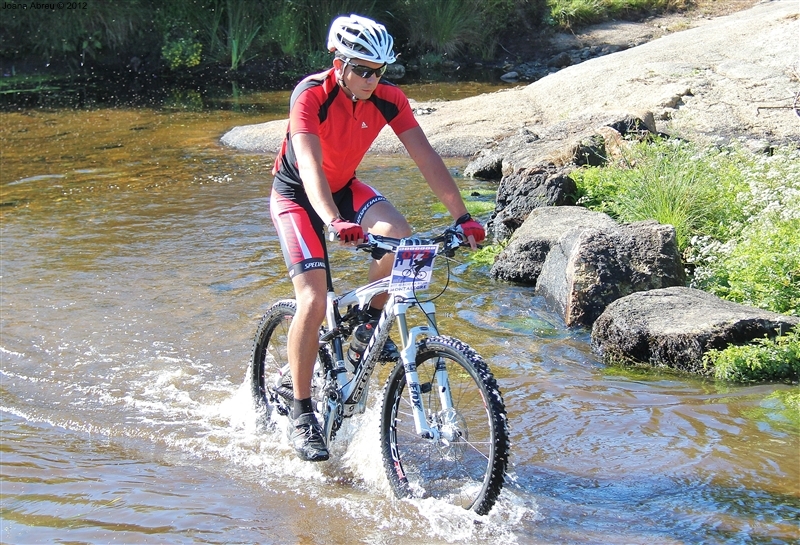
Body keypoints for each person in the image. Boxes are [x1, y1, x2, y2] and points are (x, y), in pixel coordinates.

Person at [269, 14, 486, 462]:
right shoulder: (310, 94)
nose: (371, 80)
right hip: (296, 194)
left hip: (345, 187)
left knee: (402, 236)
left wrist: (463, 217)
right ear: (338, 62)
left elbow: (426, 157)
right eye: (363, 70)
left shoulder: (388, 100)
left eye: (379, 71)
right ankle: (302, 411)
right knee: (313, 299)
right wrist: (331, 219)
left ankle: (367, 323)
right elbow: (309, 166)